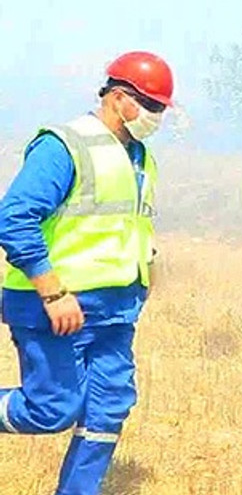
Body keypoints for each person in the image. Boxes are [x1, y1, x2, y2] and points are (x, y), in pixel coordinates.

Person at [0, 51, 174, 495]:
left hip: (116, 308)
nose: (156, 117)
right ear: (119, 98)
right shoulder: (64, 146)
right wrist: (53, 292)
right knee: (51, 409)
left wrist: (145, 277)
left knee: (108, 406)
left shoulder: (140, 157)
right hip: (55, 306)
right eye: (150, 107)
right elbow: (14, 217)